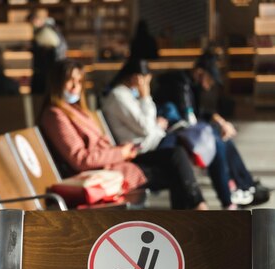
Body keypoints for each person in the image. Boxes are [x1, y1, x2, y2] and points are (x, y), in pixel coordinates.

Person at [40, 59, 207, 210]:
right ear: (57, 83)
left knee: (176, 155)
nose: (76, 87)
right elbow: (80, 159)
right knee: (175, 168)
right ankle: (197, 213)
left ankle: (195, 212)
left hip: (116, 161)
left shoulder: (76, 110)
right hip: (106, 171)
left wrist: (123, 151)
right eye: (70, 81)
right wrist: (121, 152)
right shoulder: (55, 115)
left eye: (79, 81)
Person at [154, 50, 270, 207]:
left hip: (181, 134)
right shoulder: (180, 84)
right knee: (216, 142)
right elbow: (188, 118)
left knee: (222, 139)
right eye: (210, 80)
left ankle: (243, 186)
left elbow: (195, 114)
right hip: (169, 138)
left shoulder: (189, 84)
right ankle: (230, 198)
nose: (209, 85)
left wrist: (220, 121)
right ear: (200, 72)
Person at [28, 8, 67, 95]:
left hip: (47, 74)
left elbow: (47, 54)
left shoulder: (45, 32)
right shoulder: (51, 29)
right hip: (53, 72)